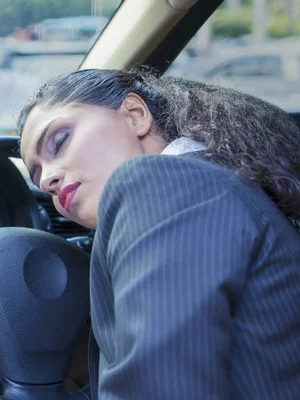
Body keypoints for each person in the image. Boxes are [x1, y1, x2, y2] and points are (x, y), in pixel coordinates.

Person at [18, 69, 300, 399]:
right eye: (37, 177)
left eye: (60, 141)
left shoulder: (157, 181)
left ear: (135, 115)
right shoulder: (212, 182)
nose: (48, 180)